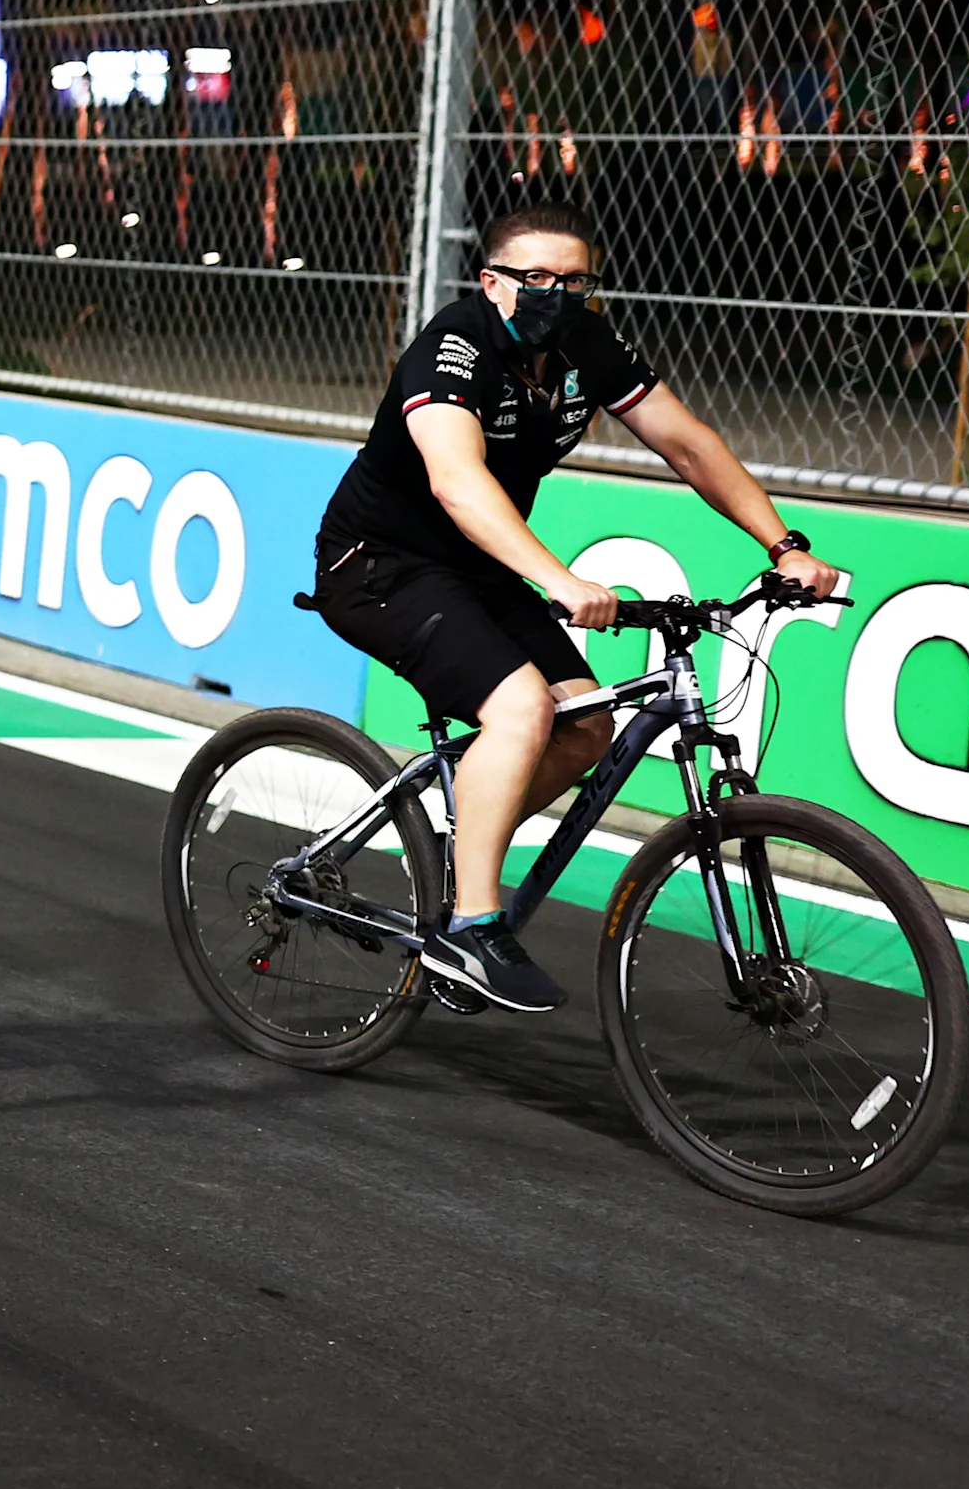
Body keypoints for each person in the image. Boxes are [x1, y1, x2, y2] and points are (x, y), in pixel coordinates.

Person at [311, 201, 843, 1012]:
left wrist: (784, 545)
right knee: (522, 707)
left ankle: (462, 854)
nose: (555, 293)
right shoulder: (453, 346)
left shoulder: (585, 344)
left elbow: (688, 443)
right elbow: (456, 481)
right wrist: (559, 579)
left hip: (479, 568)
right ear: (491, 282)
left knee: (587, 725)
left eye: (574, 279)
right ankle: (470, 927)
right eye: (535, 277)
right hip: (379, 565)